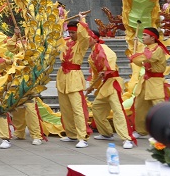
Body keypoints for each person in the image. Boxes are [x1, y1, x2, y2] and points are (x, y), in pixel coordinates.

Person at [86, 30, 134, 149]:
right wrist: (91, 87)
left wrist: (108, 69)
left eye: (88, 37)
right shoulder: (91, 56)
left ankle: (126, 138)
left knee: (117, 109)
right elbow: (95, 74)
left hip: (113, 82)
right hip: (105, 84)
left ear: (95, 38)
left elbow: (111, 57)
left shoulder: (103, 47)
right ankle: (106, 133)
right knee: (97, 108)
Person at [57, 14, 91, 148]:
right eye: (69, 32)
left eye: (73, 32)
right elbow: (57, 38)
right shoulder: (67, 43)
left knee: (77, 109)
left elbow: (85, 35)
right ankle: (71, 134)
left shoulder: (82, 44)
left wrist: (82, 20)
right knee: (65, 108)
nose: (71, 35)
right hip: (63, 77)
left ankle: (82, 137)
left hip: (74, 76)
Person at [130, 27, 170, 138]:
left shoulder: (158, 49)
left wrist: (135, 57)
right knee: (140, 106)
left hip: (155, 82)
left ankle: (164, 132)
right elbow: (141, 63)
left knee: (159, 108)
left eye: (145, 35)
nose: (142, 37)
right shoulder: (146, 49)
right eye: (142, 35)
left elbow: (149, 59)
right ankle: (141, 131)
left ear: (153, 38)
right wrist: (135, 58)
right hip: (145, 81)